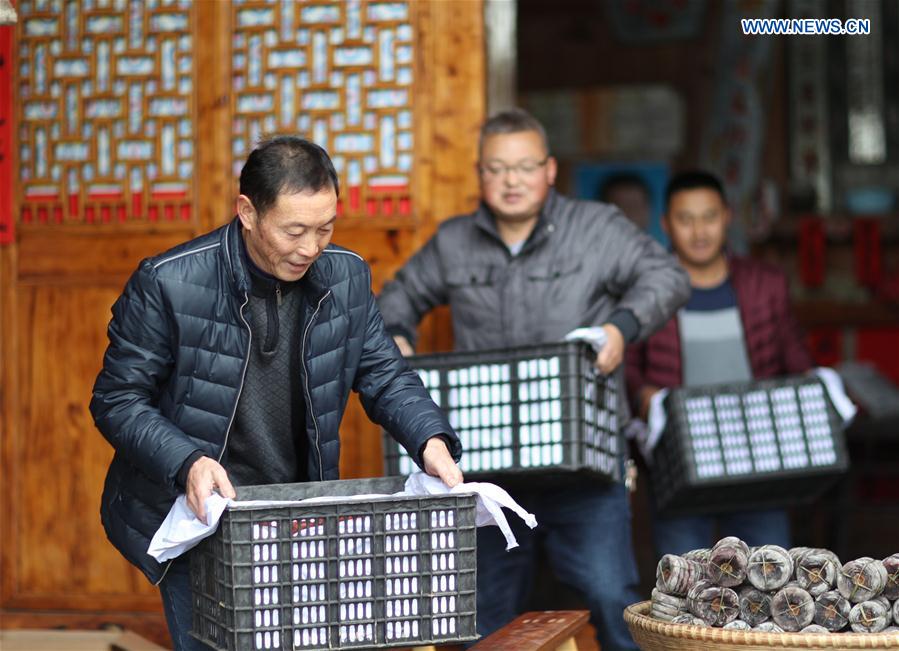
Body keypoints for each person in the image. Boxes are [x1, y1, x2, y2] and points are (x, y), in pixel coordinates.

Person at [90, 136, 463, 651]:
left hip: (294, 512)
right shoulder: (169, 282)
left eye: (325, 229)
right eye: (294, 231)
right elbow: (117, 399)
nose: (311, 248)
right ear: (248, 212)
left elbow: (384, 374)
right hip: (199, 514)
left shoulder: (346, 276)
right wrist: (188, 463)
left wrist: (430, 442)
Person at [377, 108, 690, 651]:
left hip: (586, 465)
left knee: (611, 596)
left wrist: (622, 327)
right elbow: (393, 301)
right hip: (492, 471)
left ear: (549, 170)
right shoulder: (453, 242)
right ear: (480, 174)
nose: (511, 181)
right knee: (486, 617)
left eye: (524, 167)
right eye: (497, 169)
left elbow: (666, 276)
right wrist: (398, 337)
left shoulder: (597, 228)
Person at [626, 170, 813, 556]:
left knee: (771, 584)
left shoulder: (765, 283)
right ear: (666, 224)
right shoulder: (646, 291)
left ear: (727, 217)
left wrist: (816, 384)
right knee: (683, 592)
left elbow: (795, 357)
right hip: (681, 470)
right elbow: (626, 365)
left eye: (709, 217)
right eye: (685, 219)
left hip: (760, 464)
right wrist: (643, 394)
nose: (699, 231)